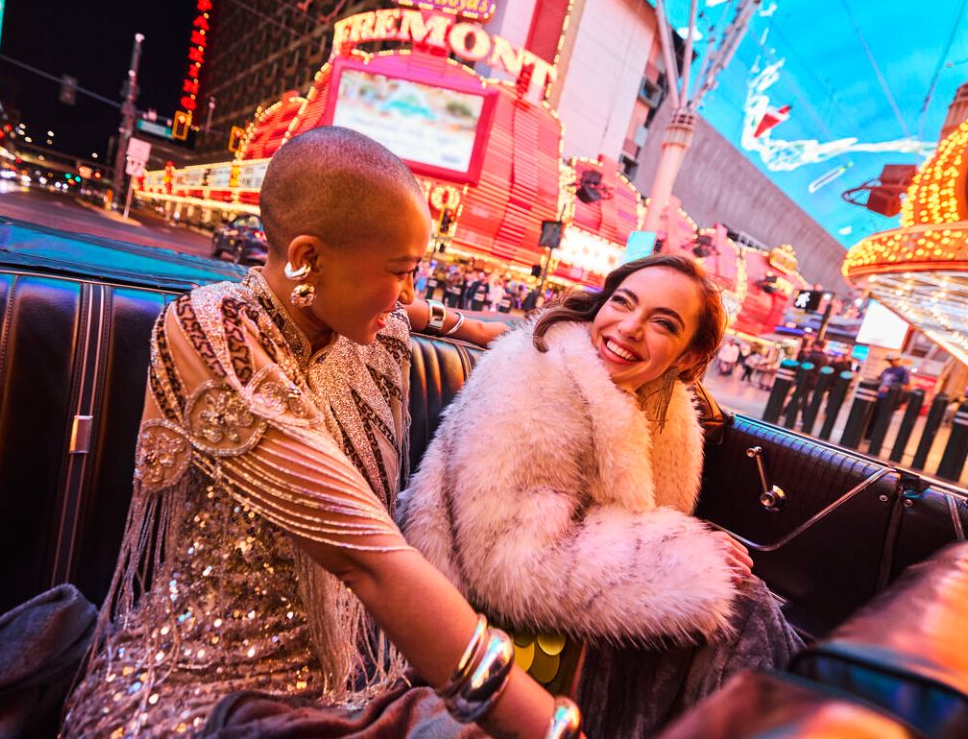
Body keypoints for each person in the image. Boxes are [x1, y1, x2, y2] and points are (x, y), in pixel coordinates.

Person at [62, 128, 579, 739]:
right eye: (402, 270)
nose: (409, 292)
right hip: (199, 683)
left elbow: (409, 311)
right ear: (308, 258)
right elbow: (368, 561)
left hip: (343, 675)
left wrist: (472, 326)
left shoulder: (361, 318)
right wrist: (552, 728)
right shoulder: (213, 329)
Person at [401, 254, 802, 739]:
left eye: (663, 323)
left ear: (689, 357)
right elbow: (506, 559)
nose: (629, 327)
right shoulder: (535, 379)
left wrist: (681, 554)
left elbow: (634, 521)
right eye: (622, 302)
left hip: (570, 601)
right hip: (472, 610)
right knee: (740, 613)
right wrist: (682, 555)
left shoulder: (664, 406)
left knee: (742, 605)